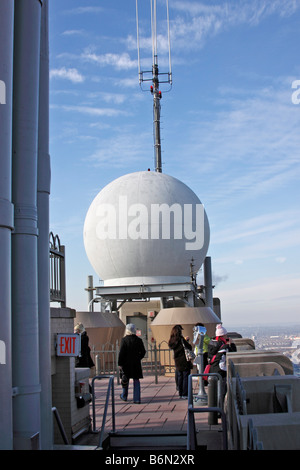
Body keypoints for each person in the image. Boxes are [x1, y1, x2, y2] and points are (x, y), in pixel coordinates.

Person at [118, 323, 146, 404]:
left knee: (125, 379)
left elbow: (122, 353)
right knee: (136, 380)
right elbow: (143, 351)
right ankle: (136, 398)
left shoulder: (124, 340)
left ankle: (124, 396)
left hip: (126, 363)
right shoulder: (138, 340)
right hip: (136, 363)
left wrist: (120, 363)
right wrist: (138, 357)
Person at [168, 325, 193, 399]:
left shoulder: (172, 340)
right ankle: (185, 393)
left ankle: (180, 393)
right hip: (184, 360)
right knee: (185, 376)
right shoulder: (181, 340)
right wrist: (187, 341)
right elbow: (189, 347)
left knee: (180, 376)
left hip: (177, 360)